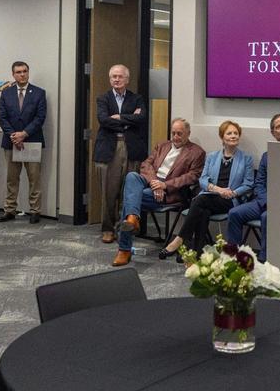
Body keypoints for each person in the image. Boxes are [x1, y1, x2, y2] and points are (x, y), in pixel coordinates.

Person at [112, 118, 205, 266]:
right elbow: (146, 164)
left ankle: (124, 248)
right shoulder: (162, 145)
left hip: (170, 192)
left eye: (179, 134)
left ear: (188, 133)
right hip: (152, 182)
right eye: (173, 133)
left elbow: (192, 177)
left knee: (131, 198)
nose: (175, 137)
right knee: (132, 177)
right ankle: (132, 219)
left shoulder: (197, 152)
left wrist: (165, 185)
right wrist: (155, 183)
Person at [160, 120, 253, 259]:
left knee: (199, 201)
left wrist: (232, 192)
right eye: (229, 133)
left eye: (236, 133)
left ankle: (180, 239)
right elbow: (202, 180)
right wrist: (217, 189)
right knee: (203, 210)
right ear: (222, 137)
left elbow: (248, 184)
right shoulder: (212, 157)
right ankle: (197, 253)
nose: (233, 136)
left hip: (230, 200)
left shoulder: (246, 159)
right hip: (211, 196)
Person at [226, 113, 280, 263]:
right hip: (264, 202)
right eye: (278, 127)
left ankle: (264, 261)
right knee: (234, 213)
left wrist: (279, 204)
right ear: (273, 132)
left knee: (266, 217)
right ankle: (233, 259)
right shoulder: (266, 156)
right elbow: (259, 184)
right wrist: (267, 201)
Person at [94, 64, 147, 243]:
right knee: (109, 191)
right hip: (110, 147)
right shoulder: (103, 98)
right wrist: (128, 120)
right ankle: (108, 228)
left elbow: (141, 118)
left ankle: (125, 228)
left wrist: (118, 117)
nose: (116, 79)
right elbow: (103, 120)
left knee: (129, 191)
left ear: (127, 79)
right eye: (113, 77)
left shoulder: (137, 98)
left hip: (131, 148)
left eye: (120, 76)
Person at [0, 61, 47, 224]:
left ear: (28, 72)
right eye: (18, 72)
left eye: (25, 71)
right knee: (12, 178)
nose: (22, 74)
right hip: (11, 142)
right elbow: (2, 117)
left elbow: (40, 118)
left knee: (34, 178)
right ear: (13, 74)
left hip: (31, 141)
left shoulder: (39, 93)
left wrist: (23, 134)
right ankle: (10, 210)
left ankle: (35, 211)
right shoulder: (6, 93)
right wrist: (13, 135)